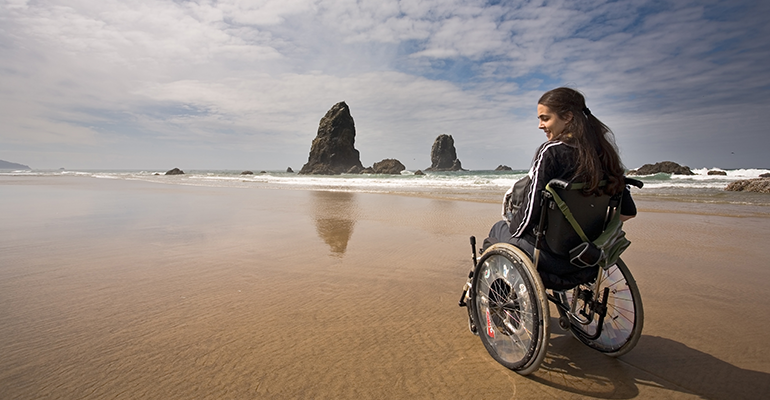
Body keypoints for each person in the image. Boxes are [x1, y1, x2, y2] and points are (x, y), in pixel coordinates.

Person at [484, 87, 637, 290]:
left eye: (545, 118)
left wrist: (514, 230)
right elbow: (628, 212)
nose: (540, 126)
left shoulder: (551, 152)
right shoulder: (604, 154)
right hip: (586, 259)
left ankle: (497, 297)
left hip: (549, 261)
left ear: (567, 117)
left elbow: (529, 215)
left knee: (499, 229)